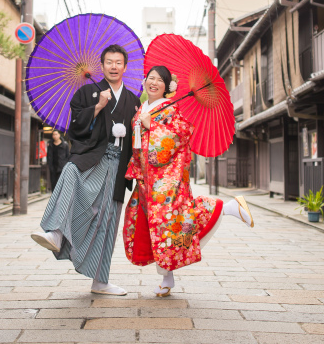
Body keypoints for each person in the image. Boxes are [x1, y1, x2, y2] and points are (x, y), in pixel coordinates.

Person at [123, 66, 254, 297]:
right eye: (150, 78)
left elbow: (181, 134)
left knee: (173, 221)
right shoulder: (142, 108)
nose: (154, 83)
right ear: (145, 81)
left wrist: (152, 126)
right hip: (146, 179)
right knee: (158, 228)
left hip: (165, 179)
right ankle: (167, 278)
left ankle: (228, 207)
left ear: (167, 87)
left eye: (159, 80)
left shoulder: (171, 108)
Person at [31, 44, 141, 296]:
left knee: (107, 220)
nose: (114, 67)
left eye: (118, 62)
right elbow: (75, 128)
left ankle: (100, 281)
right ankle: (56, 232)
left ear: (125, 67)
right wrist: (98, 106)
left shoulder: (134, 101)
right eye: (109, 62)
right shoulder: (86, 93)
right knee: (70, 172)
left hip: (118, 164)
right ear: (101, 66)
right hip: (92, 156)